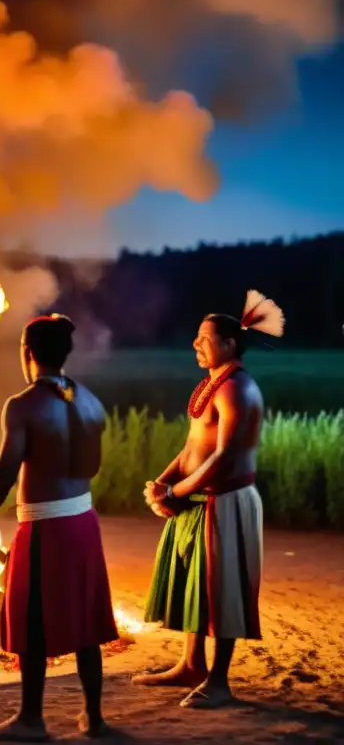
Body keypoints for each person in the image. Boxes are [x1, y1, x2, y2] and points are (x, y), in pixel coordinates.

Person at [0, 313, 119, 741]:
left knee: (33, 622)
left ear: (28, 353)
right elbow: (92, 465)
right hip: (83, 522)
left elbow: (2, 479)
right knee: (86, 621)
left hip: (45, 529)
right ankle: (94, 717)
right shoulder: (90, 400)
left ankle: (31, 720)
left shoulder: (23, 406)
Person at [135, 290, 284, 709]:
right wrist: (161, 483)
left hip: (226, 502)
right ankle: (190, 664)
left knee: (224, 591)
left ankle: (219, 681)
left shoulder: (237, 389)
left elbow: (225, 455)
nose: (196, 344)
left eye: (205, 338)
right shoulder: (212, 384)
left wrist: (174, 492)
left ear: (230, 344)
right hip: (197, 499)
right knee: (193, 584)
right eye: (197, 337)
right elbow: (192, 446)